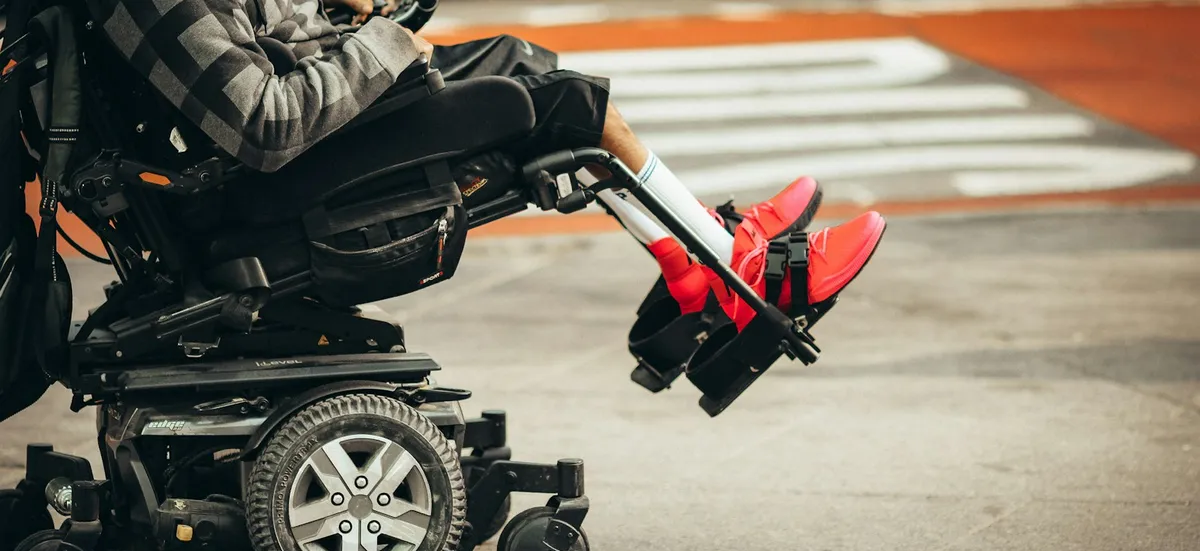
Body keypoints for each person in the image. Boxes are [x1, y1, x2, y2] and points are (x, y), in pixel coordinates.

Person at [92, 0, 885, 331]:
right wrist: (385, 41)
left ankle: (698, 255)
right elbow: (265, 125)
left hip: (304, 130)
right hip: (278, 177)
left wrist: (343, 14)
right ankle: (738, 274)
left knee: (523, 62)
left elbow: (265, 38)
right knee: (562, 104)